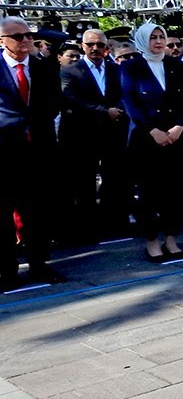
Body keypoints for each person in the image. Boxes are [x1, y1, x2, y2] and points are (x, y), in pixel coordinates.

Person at [1, 17, 66, 290]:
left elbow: (53, 103)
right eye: (18, 37)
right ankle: (7, 271)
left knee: (37, 211)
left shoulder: (43, 67)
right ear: (2, 40)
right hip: (4, 151)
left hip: (38, 150)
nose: (26, 40)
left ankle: (39, 265)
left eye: (29, 35)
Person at [121, 23, 183, 263]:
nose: (159, 42)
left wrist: (179, 125)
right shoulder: (132, 67)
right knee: (149, 193)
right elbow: (130, 102)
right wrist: (153, 130)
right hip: (146, 139)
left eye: (161, 36)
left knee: (175, 191)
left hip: (175, 137)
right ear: (142, 41)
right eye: (153, 38)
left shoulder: (176, 65)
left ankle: (171, 238)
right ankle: (152, 241)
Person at [59, 28, 129, 241]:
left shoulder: (115, 70)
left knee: (114, 179)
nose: (95, 48)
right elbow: (71, 99)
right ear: (83, 46)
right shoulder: (70, 71)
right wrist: (104, 111)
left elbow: (125, 93)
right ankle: (88, 227)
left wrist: (117, 109)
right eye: (91, 45)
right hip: (82, 135)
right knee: (84, 182)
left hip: (112, 133)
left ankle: (113, 223)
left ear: (107, 47)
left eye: (100, 45)